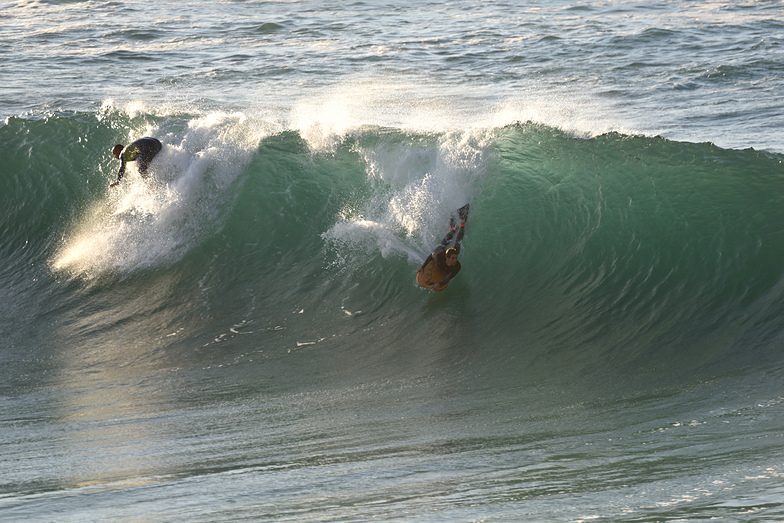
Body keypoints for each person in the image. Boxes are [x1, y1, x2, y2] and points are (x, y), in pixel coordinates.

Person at [417, 217, 466, 291]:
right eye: (453, 258)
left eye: (455, 258)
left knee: (457, 243)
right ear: (447, 258)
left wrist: (439, 284)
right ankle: (454, 230)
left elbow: (448, 277)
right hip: (441, 252)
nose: (455, 260)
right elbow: (431, 255)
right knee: (442, 245)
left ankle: (462, 226)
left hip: (445, 260)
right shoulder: (439, 257)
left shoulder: (457, 266)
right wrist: (423, 267)